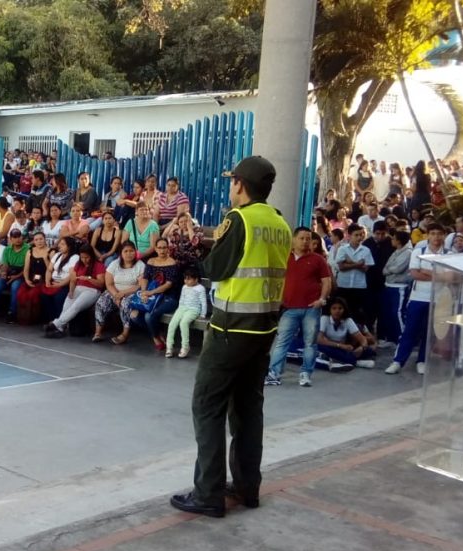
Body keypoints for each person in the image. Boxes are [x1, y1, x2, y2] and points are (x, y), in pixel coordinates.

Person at [171, 155, 291, 518]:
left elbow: (217, 268)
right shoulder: (279, 223)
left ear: (239, 183)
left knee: (207, 406)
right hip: (264, 329)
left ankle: (208, 493)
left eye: (231, 180)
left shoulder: (238, 219)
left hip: (230, 328)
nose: (230, 186)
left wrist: (200, 252)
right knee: (248, 410)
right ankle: (246, 487)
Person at [264, 227, 332, 387]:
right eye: (302, 238)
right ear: (294, 240)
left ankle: (305, 374)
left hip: (311, 308)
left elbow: (326, 281)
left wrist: (321, 299)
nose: (305, 241)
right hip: (289, 308)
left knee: (310, 343)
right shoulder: (284, 258)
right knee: (282, 341)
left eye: (308, 238)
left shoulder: (318, 259)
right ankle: (274, 373)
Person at [385, 222, 448, 375]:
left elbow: (450, 276)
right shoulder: (418, 251)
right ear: (428, 235)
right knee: (410, 330)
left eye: (439, 234)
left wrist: (427, 272)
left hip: (438, 299)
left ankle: (422, 360)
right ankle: (398, 361)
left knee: (429, 332)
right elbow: (414, 273)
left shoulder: (448, 254)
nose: (436, 237)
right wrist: (438, 275)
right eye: (432, 234)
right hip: (419, 297)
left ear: (443, 236)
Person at [45, 245, 105, 338]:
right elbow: (73, 279)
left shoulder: (99, 265)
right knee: (67, 304)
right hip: (78, 287)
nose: (84, 260)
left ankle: (56, 324)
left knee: (76, 305)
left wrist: (89, 279)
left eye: (87, 257)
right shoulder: (78, 264)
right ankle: (60, 327)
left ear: (91, 256)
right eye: (82, 257)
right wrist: (71, 290)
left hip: (92, 290)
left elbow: (101, 284)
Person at [130, 238, 180, 349]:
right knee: (134, 316)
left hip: (168, 297)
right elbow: (145, 279)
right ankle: (158, 334)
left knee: (149, 316)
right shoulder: (151, 261)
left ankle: (155, 336)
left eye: (164, 247)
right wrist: (143, 292)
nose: (162, 250)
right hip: (152, 296)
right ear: (156, 249)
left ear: (168, 249)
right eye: (160, 248)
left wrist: (150, 292)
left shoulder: (171, 262)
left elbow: (168, 285)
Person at [93, 242, 144, 344]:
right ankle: (98, 333)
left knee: (125, 303)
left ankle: (124, 334)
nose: (129, 254)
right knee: (101, 302)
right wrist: (116, 295)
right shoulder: (114, 264)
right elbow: (109, 283)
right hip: (114, 292)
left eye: (131, 251)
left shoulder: (140, 265)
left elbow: (139, 285)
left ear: (135, 252)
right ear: (121, 253)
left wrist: (123, 293)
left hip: (131, 293)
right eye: (126, 251)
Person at [316, 297, 377, 371]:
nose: (337, 311)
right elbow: (319, 340)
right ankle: (355, 362)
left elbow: (362, 339)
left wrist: (362, 348)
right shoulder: (324, 318)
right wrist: (340, 346)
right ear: (330, 309)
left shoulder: (348, 320)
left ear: (344, 309)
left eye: (340, 308)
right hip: (329, 346)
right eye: (334, 308)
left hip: (344, 349)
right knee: (315, 346)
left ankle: (341, 361)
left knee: (369, 351)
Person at [0, 230, 29, 321]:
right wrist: (4, 273)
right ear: (10, 239)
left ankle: (12, 313)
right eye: (15, 237)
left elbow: (27, 268)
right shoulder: (7, 249)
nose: (18, 239)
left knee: (15, 286)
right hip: (10, 273)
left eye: (19, 236)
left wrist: (16, 276)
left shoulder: (28, 248)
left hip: (22, 274)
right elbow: (5, 264)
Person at [41, 236, 80, 322]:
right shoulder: (57, 255)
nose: (59, 246)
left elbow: (71, 275)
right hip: (53, 282)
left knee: (58, 297)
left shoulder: (75, 257)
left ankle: (60, 320)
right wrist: (47, 281)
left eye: (63, 244)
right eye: (60, 244)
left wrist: (60, 284)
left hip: (65, 284)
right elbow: (49, 270)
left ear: (69, 246)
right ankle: (52, 319)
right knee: (44, 296)